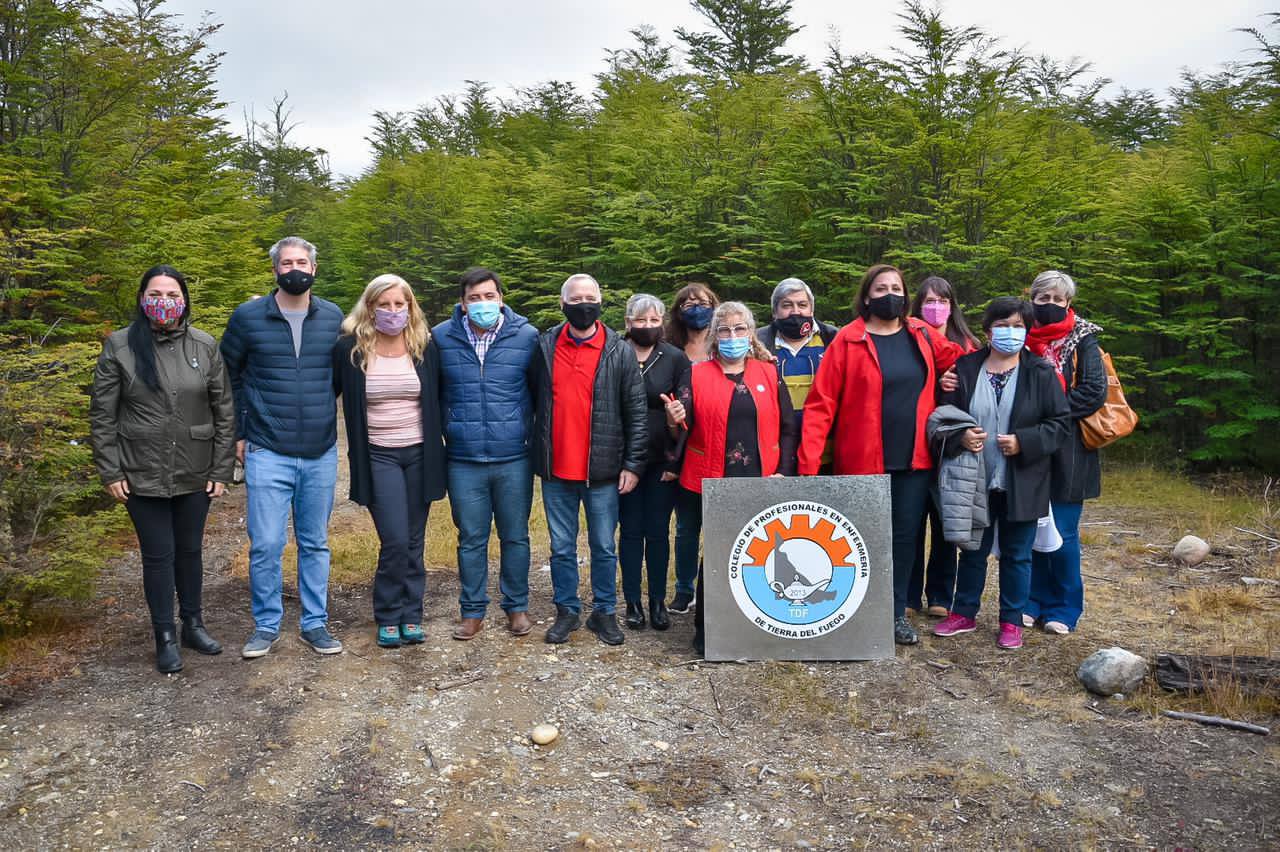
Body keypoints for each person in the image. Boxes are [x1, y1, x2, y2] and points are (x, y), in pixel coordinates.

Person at [797, 264, 963, 646]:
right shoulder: (848, 340)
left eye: (896, 287)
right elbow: (822, 404)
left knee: (904, 538)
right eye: (881, 287)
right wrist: (808, 462)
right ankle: (848, 609)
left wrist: (950, 375)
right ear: (867, 295)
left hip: (914, 458)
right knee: (858, 538)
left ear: (906, 296)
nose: (890, 294)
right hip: (861, 459)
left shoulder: (920, 333)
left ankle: (893, 614)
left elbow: (963, 359)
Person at [89, 265, 235, 673]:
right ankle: (164, 635)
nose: (165, 301)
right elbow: (103, 415)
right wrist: (111, 470)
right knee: (158, 556)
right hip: (141, 472)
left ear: (184, 300)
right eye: (156, 293)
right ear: (141, 298)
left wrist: (221, 470)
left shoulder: (204, 346)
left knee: (189, 551)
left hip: (195, 468)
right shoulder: (120, 346)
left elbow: (224, 411)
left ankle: (193, 623)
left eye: (173, 294)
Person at [220, 236, 345, 658]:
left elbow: (343, 377)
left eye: (302, 261)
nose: (295, 268)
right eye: (287, 262)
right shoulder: (249, 317)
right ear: (274, 269)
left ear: (314, 268)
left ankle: (315, 623)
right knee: (268, 543)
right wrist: (239, 432)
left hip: (320, 450)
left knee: (314, 542)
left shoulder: (332, 317)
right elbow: (228, 376)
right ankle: (267, 625)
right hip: (267, 450)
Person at [932, 297, 1069, 649]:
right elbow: (941, 419)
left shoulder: (1040, 372)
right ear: (988, 329)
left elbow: (1060, 425)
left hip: (1023, 479)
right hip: (973, 479)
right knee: (972, 550)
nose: (1011, 332)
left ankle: (1011, 620)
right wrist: (960, 436)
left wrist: (1025, 441)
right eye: (1003, 325)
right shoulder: (965, 368)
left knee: (1018, 554)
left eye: (1018, 325)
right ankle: (963, 612)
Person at [664, 302, 798, 655]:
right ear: (714, 336)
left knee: (761, 555)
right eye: (724, 330)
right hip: (713, 480)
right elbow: (682, 428)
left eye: (739, 329)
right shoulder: (696, 374)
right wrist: (673, 417)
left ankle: (760, 623)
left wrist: (784, 468)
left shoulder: (769, 372)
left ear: (751, 334)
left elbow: (788, 427)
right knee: (721, 554)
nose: (732, 336)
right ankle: (709, 631)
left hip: (762, 478)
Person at [531, 273, 647, 645]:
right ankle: (567, 609)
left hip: (603, 471)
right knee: (561, 547)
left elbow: (637, 411)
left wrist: (632, 464)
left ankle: (604, 612)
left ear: (600, 302)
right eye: (576, 298)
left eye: (590, 297)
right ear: (563, 304)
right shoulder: (544, 345)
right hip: (557, 470)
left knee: (603, 546)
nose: (584, 304)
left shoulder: (619, 350)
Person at [334, 275, 447, 648]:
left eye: (400, 304)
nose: (393, 311)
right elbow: (323, 394)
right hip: (378, 455)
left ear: (410, 307)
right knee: (395, 538)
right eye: (385, 304)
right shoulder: (350, 350)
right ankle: (387, 613)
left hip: (420, 453)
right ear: (370, 308)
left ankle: (411, 614)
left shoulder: (424, 348)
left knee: (415, 540)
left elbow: (441, 398)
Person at [433, 267, 540, 640]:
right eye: (474, 298)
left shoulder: (526, 336)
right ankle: (472, 610)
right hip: (463, 459)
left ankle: (517, 607)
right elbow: (433, 395)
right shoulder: (440, 338)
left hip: (514, 456)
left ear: (501, 299)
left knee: (515, 537)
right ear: (462, 304)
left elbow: (540, 394)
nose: (482, 304)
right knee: (471, 538)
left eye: (489, 296)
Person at [1024, 270, 1107, 635]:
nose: (1051, 305)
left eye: (1059, 300)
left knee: (1064, 531)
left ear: (1068, 304)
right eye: (1044, 299)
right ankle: (1032, 601)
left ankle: (1065, 607)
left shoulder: (1084, 340)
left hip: (1071, 448)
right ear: (1033, 300)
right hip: (1029, 447)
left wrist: (1050, 414)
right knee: (1031, 528)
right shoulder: (1019, 336)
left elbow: (1093, 391)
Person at [907, 275, 981, 619]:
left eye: (942, 301)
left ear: (953, 306)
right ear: (917, 305)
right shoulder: (906, 337)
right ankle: (907, 594)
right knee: (910, 522)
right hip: (913, 442)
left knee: (945, 522)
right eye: (928, 301)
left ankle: (940, 592)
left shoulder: (968, 344)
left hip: (951, 447)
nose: (935, 308)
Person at [617, 294, 690, 631]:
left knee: (658, 532)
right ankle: (632, 600)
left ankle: (657, 601)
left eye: (653, 320)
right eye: (640, 320)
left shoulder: (675, 358)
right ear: (628, 322)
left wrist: (677, 421)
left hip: (663, 457)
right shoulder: (614, 353)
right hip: (623, 460)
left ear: (662, 322)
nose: (646, 327)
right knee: (630, 531)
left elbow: (687, 411)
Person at [663, 282, 719, 615]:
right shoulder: (670, 346)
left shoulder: (726, 343)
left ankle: (713, 586)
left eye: (702, 302)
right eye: (687, 303)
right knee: (686, 526)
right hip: (680, 445)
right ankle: (684, 588)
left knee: (720, 525)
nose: (695, 307)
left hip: (721, 442)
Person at [756, 277, 840, 435]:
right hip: (776, 446)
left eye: (802, 305)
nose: (795, 311)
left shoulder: (834, 339)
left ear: (811, 310)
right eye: (787, 305)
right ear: (775, 311)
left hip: (825, 446)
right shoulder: (757, 343)